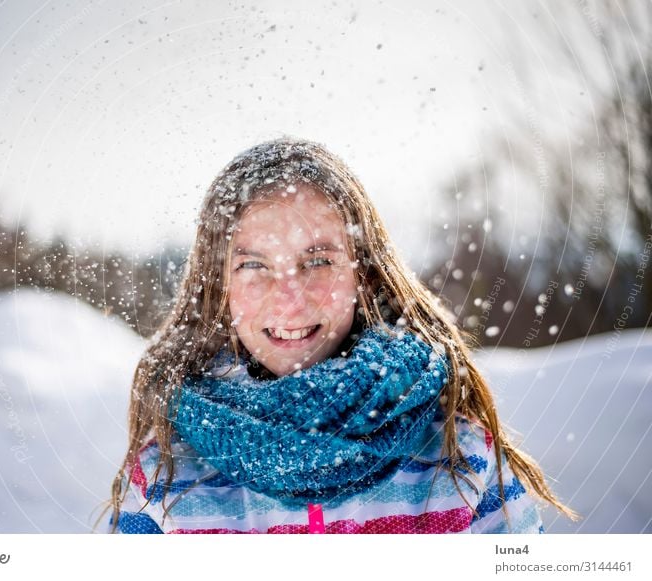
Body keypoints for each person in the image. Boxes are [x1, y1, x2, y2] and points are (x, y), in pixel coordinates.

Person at [103, 137, 575, 534]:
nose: (289, 299)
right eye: (253, 265)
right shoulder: (165, 484)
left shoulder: (461, 463)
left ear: (364, 275)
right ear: (218, 287)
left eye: (317, 261)